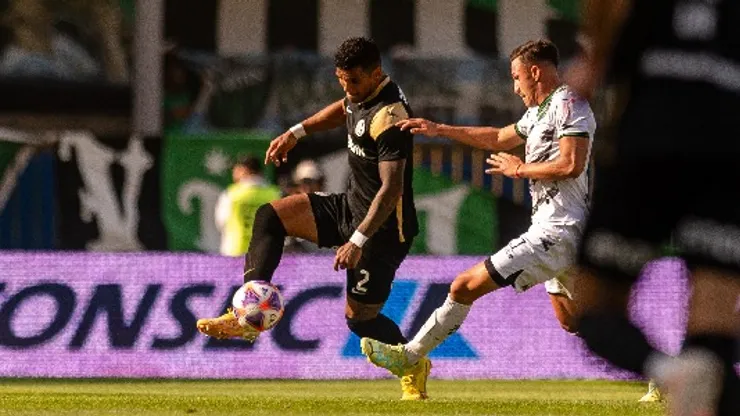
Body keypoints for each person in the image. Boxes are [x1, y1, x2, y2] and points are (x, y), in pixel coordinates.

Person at [196, 37, 429, 401]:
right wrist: (296, 132)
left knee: (360, 320)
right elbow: (343, 109)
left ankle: (413, 363)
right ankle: (246, 313)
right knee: (271, 215)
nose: (347, 89)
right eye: (341, 80)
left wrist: (357, 241)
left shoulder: (391, 116)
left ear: (376, 74)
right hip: (350, 207)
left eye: (353, 81)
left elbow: (391, 190)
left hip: (382, 229)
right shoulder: (359, 96)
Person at [360, 39, 595, 379]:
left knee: (462, 287)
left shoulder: (570, 103)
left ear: (534, 71)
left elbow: (572, 164)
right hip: (561, 231)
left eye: (516, 78)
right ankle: (661, 371)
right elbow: (499, 137)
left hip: (557, 230)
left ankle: (410, 356)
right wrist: (440, 129)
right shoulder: (537, 113)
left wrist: (520, 170)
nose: (515, 88)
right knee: (573, 320)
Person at [564, 1, 740, 415]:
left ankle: (664, 368)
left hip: (652, 134)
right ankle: (696, 371)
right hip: (730, 144)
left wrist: (594, 57)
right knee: (712, 325)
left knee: (594, 306)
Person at [215, 155, 281, 257]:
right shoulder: (275, 194)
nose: (233, 173)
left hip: (235, 252)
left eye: (235, 169)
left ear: (244, 170)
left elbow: (221, 222)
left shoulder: (231, 194)